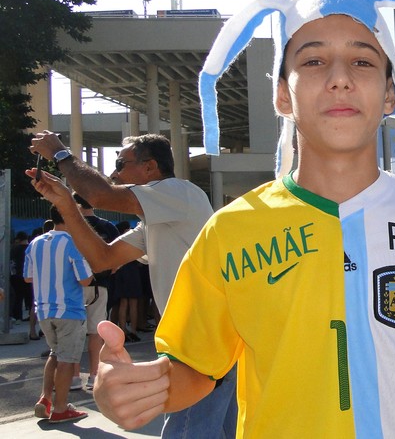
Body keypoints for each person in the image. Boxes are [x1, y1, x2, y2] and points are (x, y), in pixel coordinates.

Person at [90, 0, 395, 437]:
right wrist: (143, 387)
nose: (340, 78)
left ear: (389, 94)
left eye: (363, 62)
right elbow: (197, 368)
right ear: (283, 94)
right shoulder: (230, 230)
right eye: (315, 61)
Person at [27, 134, 236, 437]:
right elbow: (103, 258)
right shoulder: (160, 217)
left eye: (120, 164)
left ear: (150, 167)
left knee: (188, 430)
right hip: (208, 334)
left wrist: (60, 153)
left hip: (201, 336)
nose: (114, 174)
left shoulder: (178, 192)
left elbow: (101, 195)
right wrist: (66, 204)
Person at [24, 205, 93, 423]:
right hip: (69, 308)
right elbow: (85, 279)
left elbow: (28, 277)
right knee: (66, 359)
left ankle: (45, 399)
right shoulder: (73, 243)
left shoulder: (35, 243)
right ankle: (61, 408)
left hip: (43, 309)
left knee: (55, 353)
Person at [72, 193, 120, 390]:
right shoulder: (108, 227)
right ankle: (94, 375)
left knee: (75, 332)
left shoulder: (72, 225)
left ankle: (74, 376)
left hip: (74, 286)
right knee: (95, 332)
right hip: (101, 284)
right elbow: (118, 256)